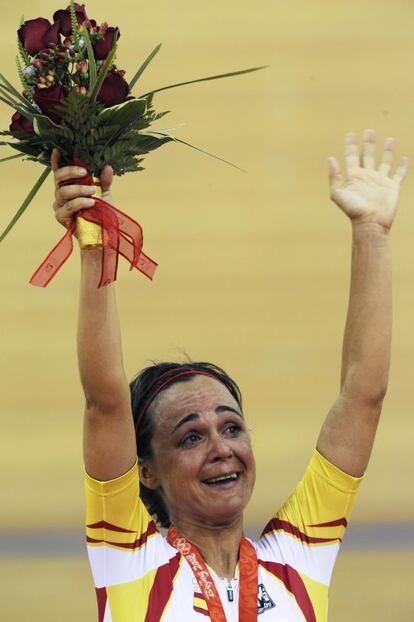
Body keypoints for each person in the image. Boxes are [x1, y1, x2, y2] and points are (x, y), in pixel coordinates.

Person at [51, 129, 408, 621]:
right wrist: (96, 242)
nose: (222, 448)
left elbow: (363, 395)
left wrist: (371, 230)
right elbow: (105, 400)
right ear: (146, 471)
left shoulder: (298, 558)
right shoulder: (129, 559)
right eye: (190, 437)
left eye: (232, 426)